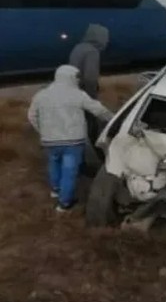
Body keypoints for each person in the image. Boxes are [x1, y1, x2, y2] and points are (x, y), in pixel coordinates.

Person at [27, 65, 114, 212]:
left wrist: (43, 131)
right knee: (69, 170)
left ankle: (56, 190)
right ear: (71, 78)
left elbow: (31, 116)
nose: (78, 79)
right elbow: (98, 110)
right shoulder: (77, 94)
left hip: (49, 141)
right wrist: (114, 119)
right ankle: (64, 203)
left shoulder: (41, 94)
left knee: (54, 164)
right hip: (72, 141)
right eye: (77, 76)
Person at [68, 23, 109, 145]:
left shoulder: (78, 47)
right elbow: (90, 77)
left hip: (73, 90)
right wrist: (92, 98)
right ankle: (93, 147)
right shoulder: (92, 51)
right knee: (91, 123)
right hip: (84, 92)